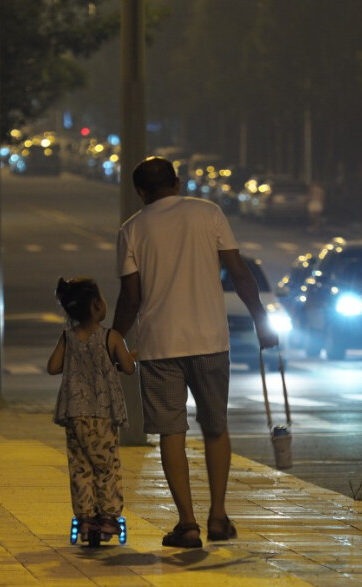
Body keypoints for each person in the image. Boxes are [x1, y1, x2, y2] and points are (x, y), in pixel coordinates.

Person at [113, 156, 279, 548]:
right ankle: (218, 515)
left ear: (140, 192)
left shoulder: (132, 229)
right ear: (178, 181)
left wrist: (116, 335)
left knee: (171, 431)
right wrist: (260, 319)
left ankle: (187, 524)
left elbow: (131, 296)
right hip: (209, 341)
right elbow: (239, 273)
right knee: (215, 427)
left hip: (159, 346)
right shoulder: (209, 214)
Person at [48, 277, 136, 540]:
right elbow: (129, 368)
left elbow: (53, 367)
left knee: (80, 466)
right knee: (107, 466)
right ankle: (108, 519)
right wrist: (126, 359)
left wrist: (77, 364)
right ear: (97, 305)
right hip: (103, 414)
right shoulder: (111, 337)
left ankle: (86, 519)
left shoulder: (68, 338)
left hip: (75, 414)